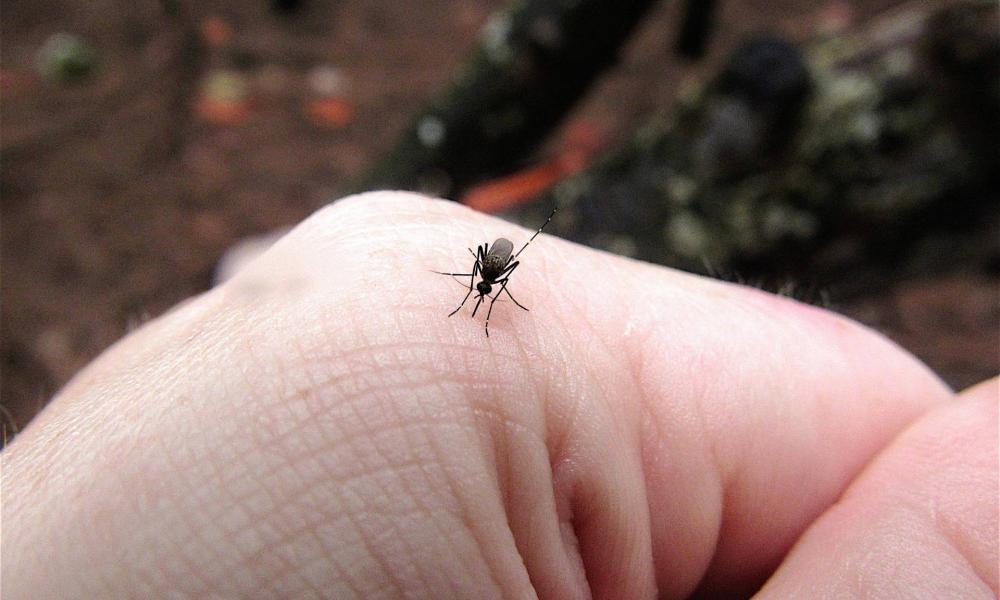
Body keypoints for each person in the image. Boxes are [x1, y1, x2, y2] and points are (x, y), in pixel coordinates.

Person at [3, 192, 996, 598]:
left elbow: (497, 274)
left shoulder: (495, 278)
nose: (484, 291)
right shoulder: (481, 281)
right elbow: (484, 276)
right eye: (485, 285)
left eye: (487, 286)